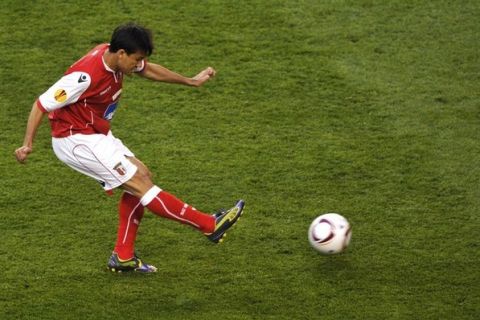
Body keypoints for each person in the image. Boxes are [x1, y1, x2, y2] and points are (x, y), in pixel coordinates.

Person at [14, 22, 244, 273]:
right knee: (139, 184)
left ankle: (123, 256)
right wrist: (27, 144)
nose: (138, 64)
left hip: (95, 133)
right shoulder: (84, 77)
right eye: (136, 59)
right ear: (121, 53)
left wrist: (190, 81)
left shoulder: (114, 56)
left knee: (143, 176)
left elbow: (149, 71)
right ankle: (209, 225)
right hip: (75, 140)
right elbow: (41, 104)